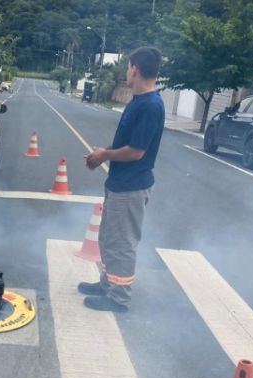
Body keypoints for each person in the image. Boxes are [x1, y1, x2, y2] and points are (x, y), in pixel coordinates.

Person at [79, 47, 165, 312]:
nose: (127, 72)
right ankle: (107, 284)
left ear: (135, 69)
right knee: (107, 238)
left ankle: (119, 297)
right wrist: (104, 154)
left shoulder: (150, 105)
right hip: (120, 185)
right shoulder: (138, 101)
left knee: (122, 243)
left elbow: (137, 151)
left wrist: (104, 155)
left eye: (128, 67)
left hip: (131, 187)